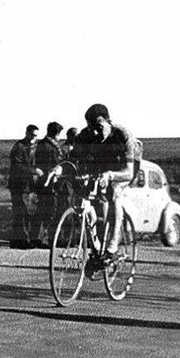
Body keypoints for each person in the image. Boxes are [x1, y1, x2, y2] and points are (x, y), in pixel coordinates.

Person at [71, 104, 142, 259]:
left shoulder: (122, 135)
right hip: (105, 164)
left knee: (115, 192)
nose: (95, 132)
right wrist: (59, 169)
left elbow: (128, 173)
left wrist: (110, 175)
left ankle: (113, 244)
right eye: (91, 127)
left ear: (108, 122)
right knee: (88, 195)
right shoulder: (85, 135)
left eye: (99, 127)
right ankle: (96, 244)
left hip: (125, 167)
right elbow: (71, 160)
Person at [7, 124, 44, 249]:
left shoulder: (33, 147)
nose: (34, 138)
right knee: (21, 212)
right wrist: (34, 170)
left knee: (27, 212)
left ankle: (25, 239)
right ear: (27, 133)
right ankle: (21, 240)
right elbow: (17, 166)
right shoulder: (19, 147)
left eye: (36, 136)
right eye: (32, 135)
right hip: (19, 184)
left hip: (28, 185)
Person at [31, 121, 64, 248]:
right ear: (56, 134)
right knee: (49, 211)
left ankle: (38, 238)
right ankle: (46, 239)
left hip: (44, 182)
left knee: (42, 210)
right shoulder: (50, 147)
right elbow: (52, 164)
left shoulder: (42, 144)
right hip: (49, 183)